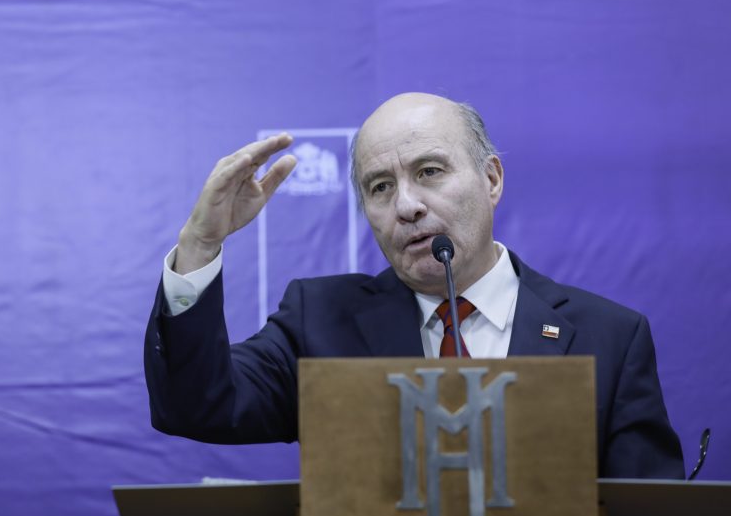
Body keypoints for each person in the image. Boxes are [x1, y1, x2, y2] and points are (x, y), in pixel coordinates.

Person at [145, 92, 684, 478]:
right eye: (380, 187)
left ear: (491, 179)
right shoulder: (321, 321)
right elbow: (197, 405)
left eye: (429, 172)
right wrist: (200, 245)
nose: (406, 206)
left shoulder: (609, 338)